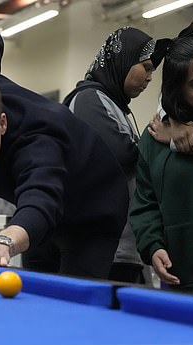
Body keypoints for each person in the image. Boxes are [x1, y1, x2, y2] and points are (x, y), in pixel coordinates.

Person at [0, 27, 129, 279]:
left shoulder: (38, 142)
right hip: (43, 216)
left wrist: (3, 243)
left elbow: (40, 201)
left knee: (71, 298)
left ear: (2, 124)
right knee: (36, 283)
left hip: (92, 209)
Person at [130, 31, 193, 296]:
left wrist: (191, 140)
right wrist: (153, 245)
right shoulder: (155, 137)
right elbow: (145, 202)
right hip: (178, 279)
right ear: (177, 89)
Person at [62, 27, 164, 284]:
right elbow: (120, 154)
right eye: (146, 67)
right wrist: (163, 136)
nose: (150, 77)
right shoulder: (89, 99)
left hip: (119, 248)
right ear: (123, 61)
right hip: (102, 249)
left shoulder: (113, 104)